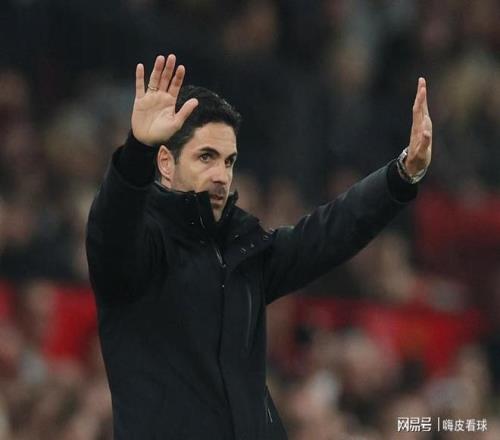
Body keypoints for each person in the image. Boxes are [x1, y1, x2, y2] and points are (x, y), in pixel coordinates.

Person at [86, 54, 432, 439]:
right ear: (166, 163)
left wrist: (402, 174)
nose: (222, 175)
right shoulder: (139, 252)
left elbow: (329, 232)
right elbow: (110, 232)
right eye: (206, 157)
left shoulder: (244, 252)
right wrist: (137, 152)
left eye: (229, 161)